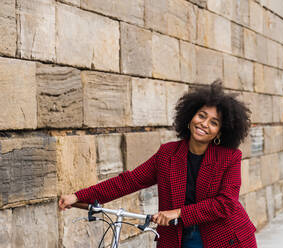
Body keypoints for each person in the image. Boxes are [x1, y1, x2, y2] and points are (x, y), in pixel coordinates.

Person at [59, 80, 257, 248]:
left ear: (220, 132)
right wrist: (78, 196)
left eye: (214, 122)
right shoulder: (168, 154)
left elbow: (226, 204)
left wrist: (178, 213)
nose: (205, 124)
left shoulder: (230, 158)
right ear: (190, 118)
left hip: (224, 237)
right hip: (177, 237)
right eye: (202, 116)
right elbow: (129, 181)